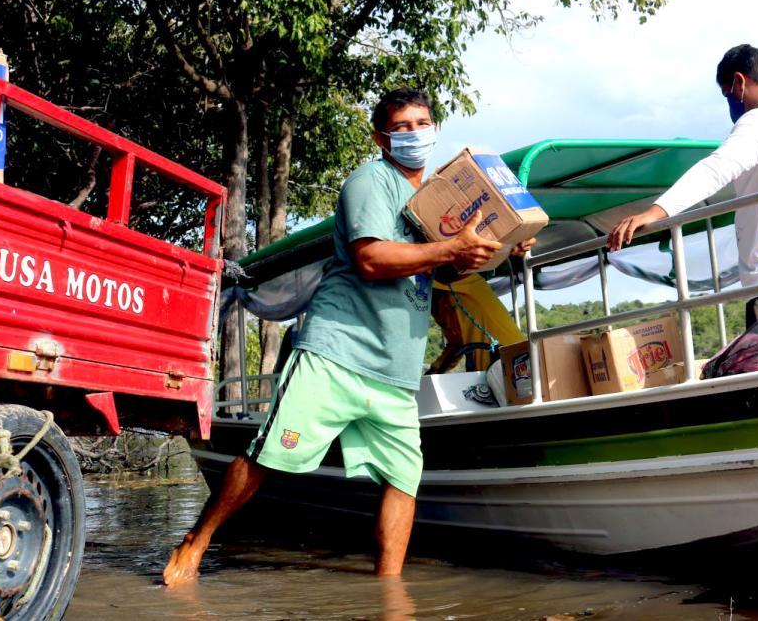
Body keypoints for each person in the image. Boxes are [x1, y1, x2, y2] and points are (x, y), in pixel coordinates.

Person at [163, 88, 529, 584]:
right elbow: (372, 258)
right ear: (381, 137)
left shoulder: (432, 204)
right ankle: (197, 540)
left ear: (436, 131)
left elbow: (444, 273)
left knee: (403, 481)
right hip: (336, 353)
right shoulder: (370, 183)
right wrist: (448, 250)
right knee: (271, 454)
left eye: (423, 123)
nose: (414, 134)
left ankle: (389, 591)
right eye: (401, 127)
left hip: (396, 371)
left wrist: (507, 249)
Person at [607, 44, 758, 329]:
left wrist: (655, 213)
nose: (730, 103)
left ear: (740, 83)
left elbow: (716, 169)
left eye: (727, 94)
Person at [428, 273, 525, 373]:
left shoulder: (465, 279)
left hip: (514, 362)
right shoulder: (437, 304)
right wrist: (433, 371)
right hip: (489, 372)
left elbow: (418, 273)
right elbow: (456, 344)